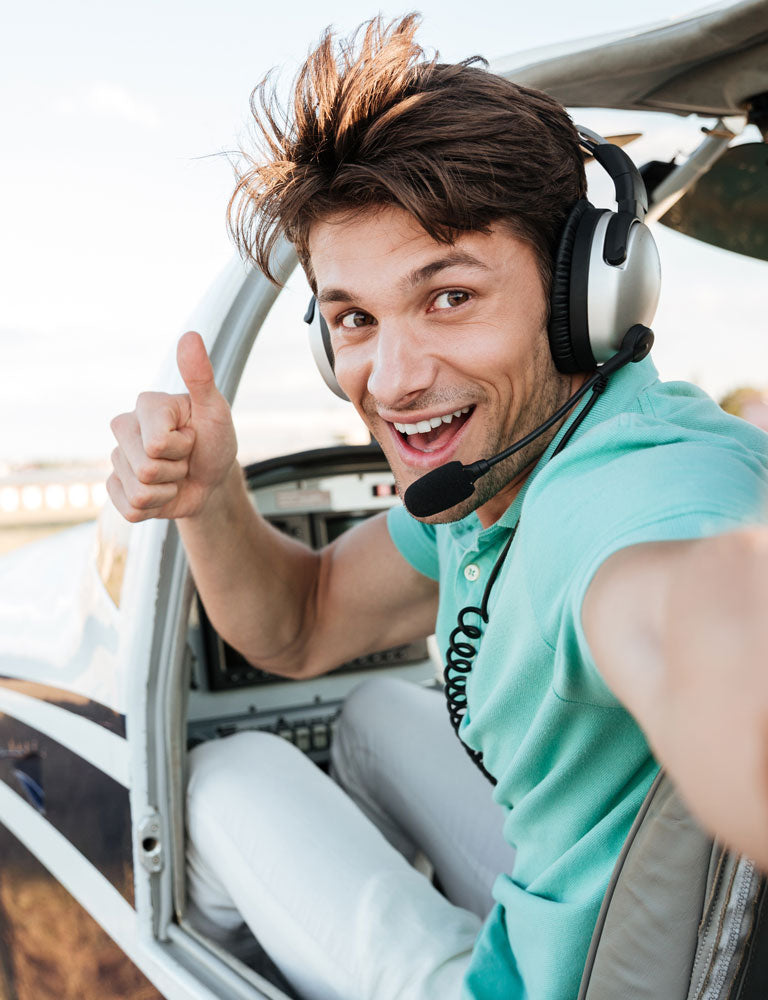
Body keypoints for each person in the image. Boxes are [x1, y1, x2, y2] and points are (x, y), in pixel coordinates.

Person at [107, 15, 768, 1000]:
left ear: (579, 294)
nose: (395, 378)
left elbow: (689, 615)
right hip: (574, 906)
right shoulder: (511, 463)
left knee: (225, 778)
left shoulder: (635, 503)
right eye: (355, 320)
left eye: (449, 297)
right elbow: (305, 621)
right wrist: (208, 497)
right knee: (371, 710)